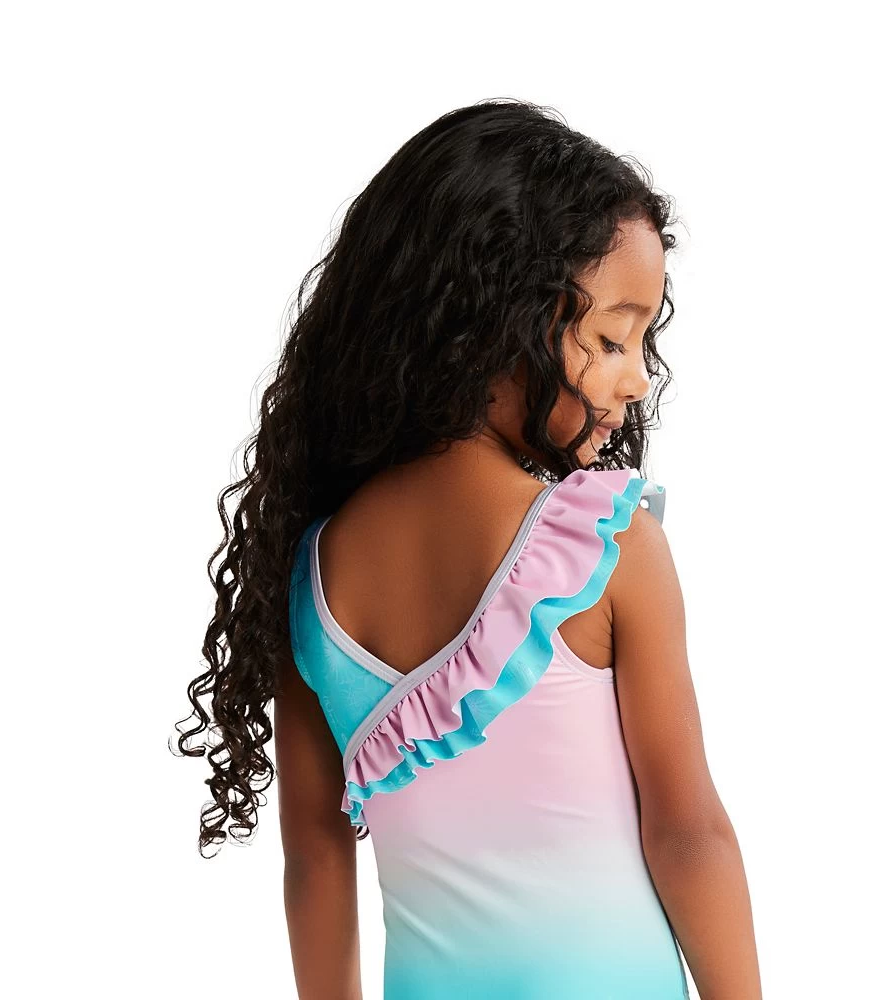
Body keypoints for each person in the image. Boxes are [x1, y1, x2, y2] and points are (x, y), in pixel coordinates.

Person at [174, 99, 762, 1000]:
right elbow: (688, 834)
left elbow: (316, 862)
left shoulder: (310, 579)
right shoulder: (606, 547)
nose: (639, 378)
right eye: (612, 338)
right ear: (496, 319)